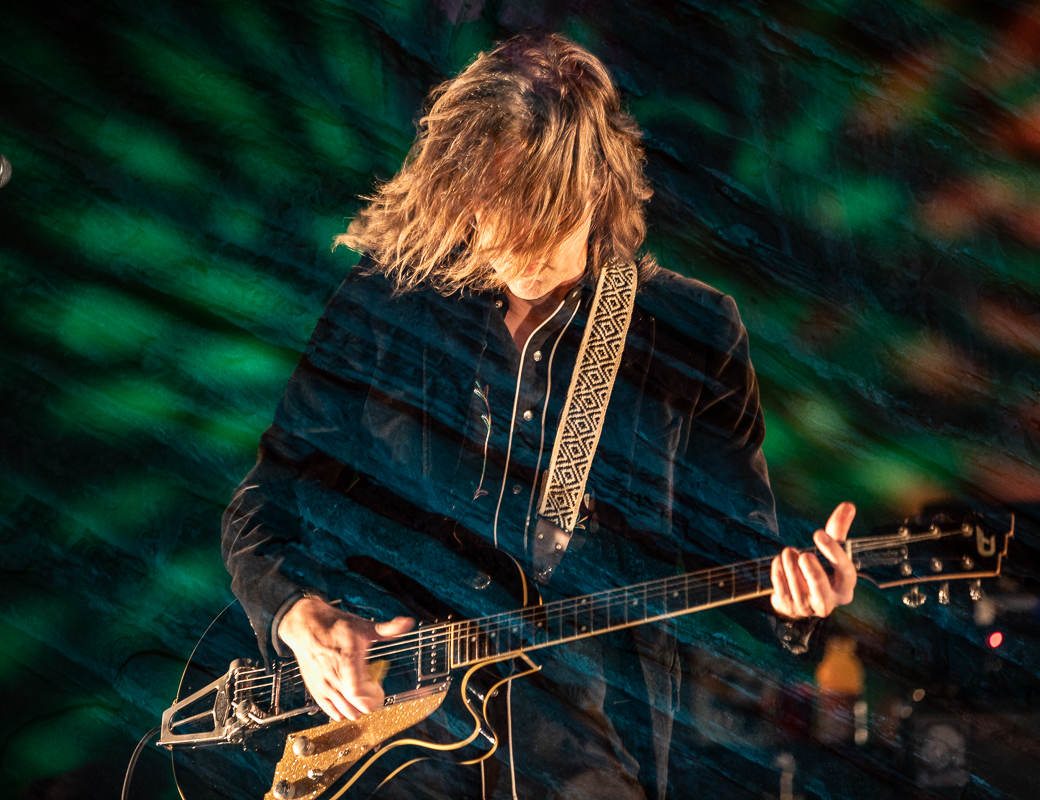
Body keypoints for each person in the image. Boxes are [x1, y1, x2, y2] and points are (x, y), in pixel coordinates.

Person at [222, 31, 857, 800]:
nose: (507, 245)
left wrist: (798, 598)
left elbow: (743, 555)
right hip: (387, 737)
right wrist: (299, 616)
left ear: (595, 187)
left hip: (583, 741)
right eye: (487, 213)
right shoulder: (388, 303)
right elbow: (269, 500)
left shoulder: (691, 334)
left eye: (537, 217)